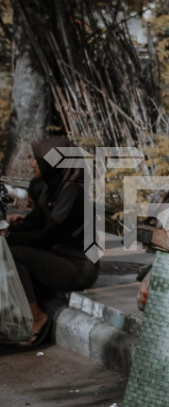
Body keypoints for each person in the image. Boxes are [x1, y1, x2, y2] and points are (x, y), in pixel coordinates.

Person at [0, 136, 99, 347]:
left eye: (37, 159)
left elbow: (47, 234)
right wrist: (10, 229)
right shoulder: (52, 188)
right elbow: (35, 221)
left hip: (79, 267)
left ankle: (38, 318)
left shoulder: (72, 192)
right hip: (59, 256)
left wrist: (9, 236)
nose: (32, 163)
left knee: (15, 253)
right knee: (9, 248)